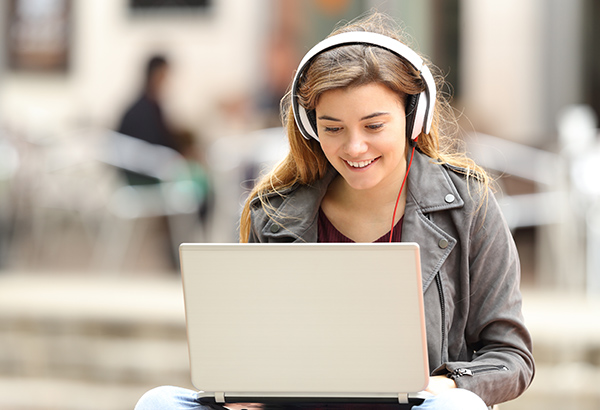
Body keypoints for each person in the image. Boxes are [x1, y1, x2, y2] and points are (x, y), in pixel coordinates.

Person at [135, 11, 534, 410]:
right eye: (333, 128)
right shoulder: (274, 212)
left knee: (456, 407)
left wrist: (450, 384)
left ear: (413, 117)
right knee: (159, 402)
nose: (354, 147)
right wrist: (245, 388)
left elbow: (511, 355)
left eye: (374, 126)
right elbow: (255, 348)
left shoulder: (469, 204)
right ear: (311, 127)